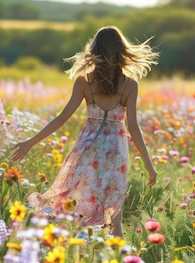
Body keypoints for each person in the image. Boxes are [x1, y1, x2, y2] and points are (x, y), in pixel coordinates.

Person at [11, 26, 158, 237]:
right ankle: (116, 259)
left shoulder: (84, 81)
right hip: (116, 152)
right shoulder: (130, 85)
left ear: (94, 51)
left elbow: (61, 118)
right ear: (121, 51)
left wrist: (30, 142)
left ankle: (71, 246)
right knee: (113, 208)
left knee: (76, 198)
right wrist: (149, 164)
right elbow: (134, 128)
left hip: (88, 147)